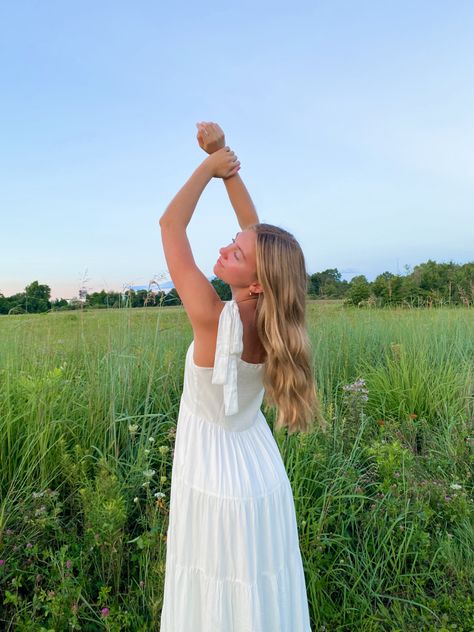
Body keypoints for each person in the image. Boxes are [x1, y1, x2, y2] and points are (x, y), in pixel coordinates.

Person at [158, 121, 325, 631]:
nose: (226, 248)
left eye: (235, 253)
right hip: (259, 474)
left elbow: (170, 226)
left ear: (254, 281)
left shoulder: (212, 316)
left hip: (212, 476)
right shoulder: (275, 320)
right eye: (231, 242)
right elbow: (258, 234)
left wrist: (208, 169)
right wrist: (226, 162)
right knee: (257, 599)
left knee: (213, 600)